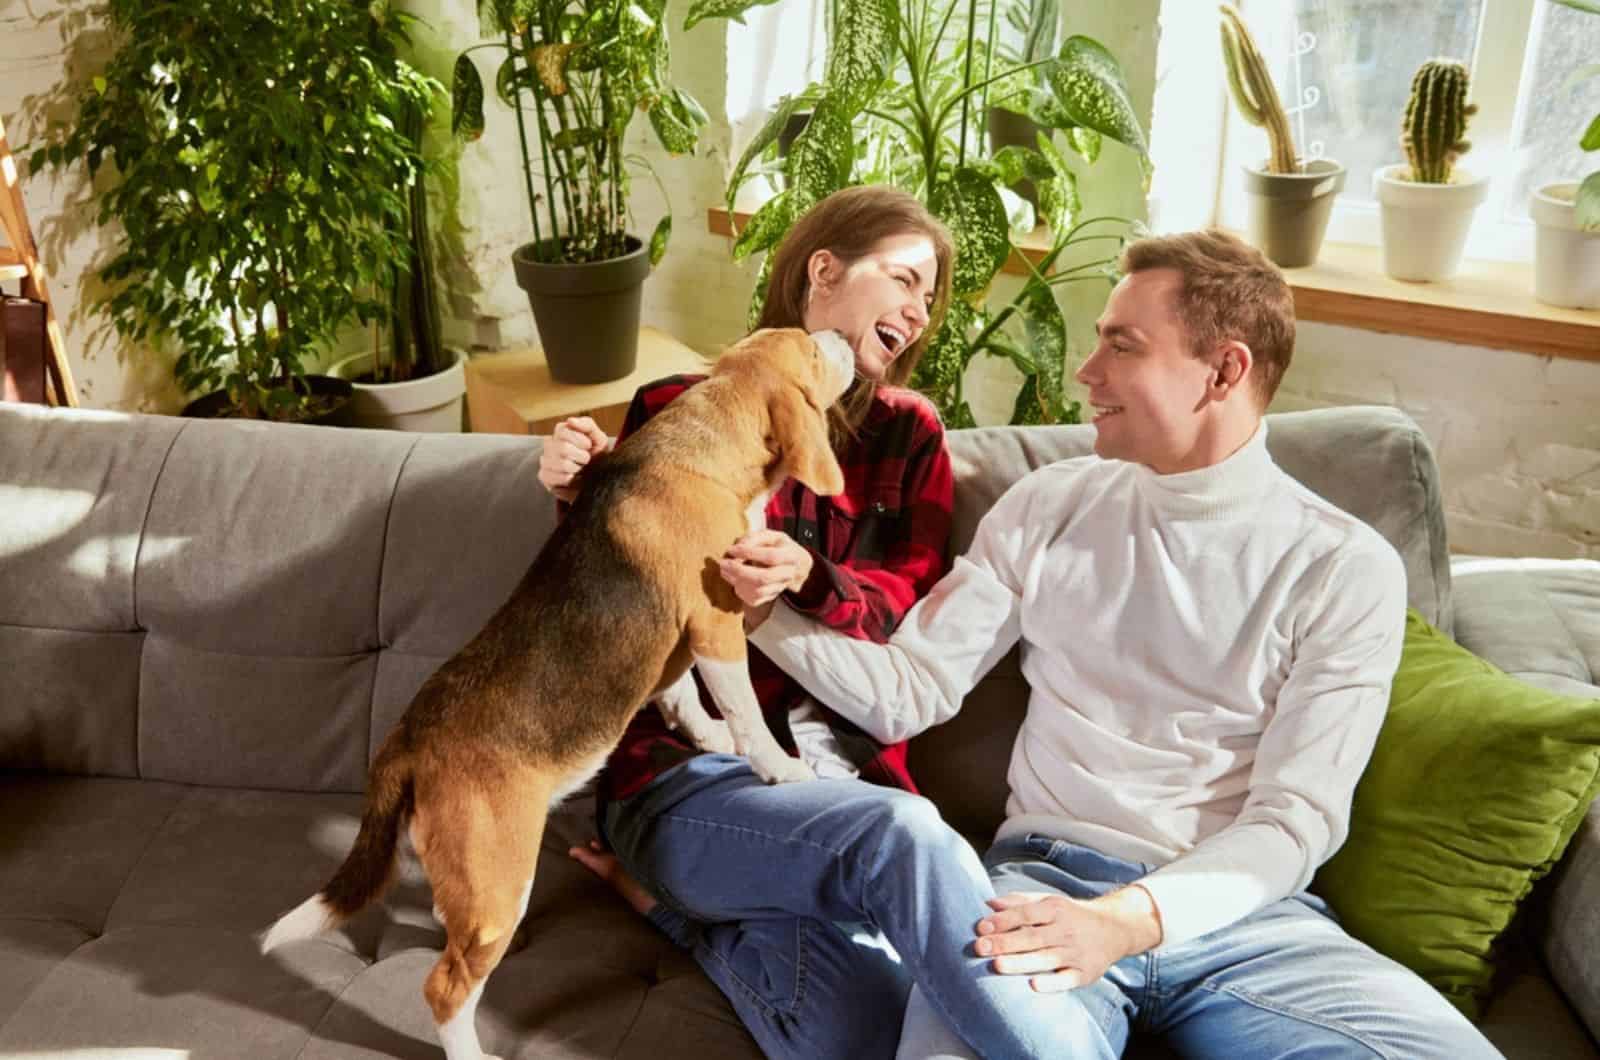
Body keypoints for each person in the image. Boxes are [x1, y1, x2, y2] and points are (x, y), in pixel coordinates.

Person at [742, 229, 1506, 1059]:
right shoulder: (1051, 505)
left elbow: (1294, 822)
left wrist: (1125, 923)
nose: (1085, 370)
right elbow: (910, 690)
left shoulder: (1342, 567)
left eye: (1122, 345)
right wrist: (751, 611)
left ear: (1224, 371)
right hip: (1038, 892)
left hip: (1244, 921)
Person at [539, 184, 985, 1060]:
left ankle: (664, 909)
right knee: (901, 836)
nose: (920, 311)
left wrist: (807, 578)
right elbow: (614, 591)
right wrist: (574, 494)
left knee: (856, 1032)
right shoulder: (675, 404)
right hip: (685, 780)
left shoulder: (908, 436)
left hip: (843, 781)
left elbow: (900, 604)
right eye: (904, 280)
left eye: (929, 297)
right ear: (824, 272)